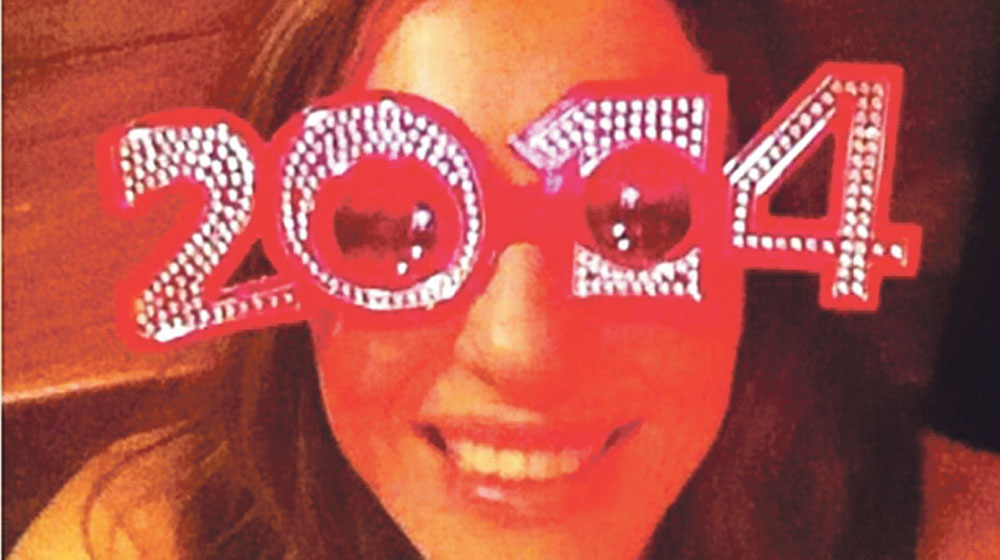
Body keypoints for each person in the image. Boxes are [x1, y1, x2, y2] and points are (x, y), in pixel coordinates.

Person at [12, 0, 998, 558]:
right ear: (281, 255)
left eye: (642, 217)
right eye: (392, 227)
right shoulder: (131, 540)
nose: (525, 352)